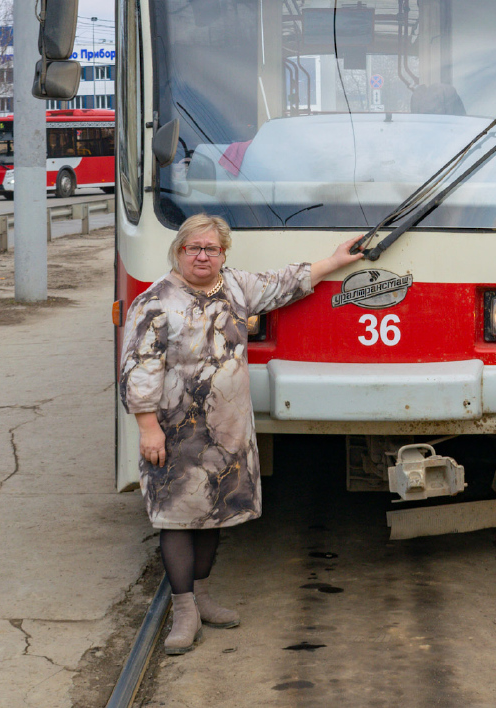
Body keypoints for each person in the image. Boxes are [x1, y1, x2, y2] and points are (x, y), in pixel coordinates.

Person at [119, 212, 362, 654]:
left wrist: (333, 262)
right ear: (178, 251)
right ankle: (184, 610)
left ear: (223, 254)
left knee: (214, 512)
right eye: (194, 248)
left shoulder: (235, 287)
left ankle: (204, 596)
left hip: (226, 431)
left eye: (211, 248)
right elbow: (139, 368)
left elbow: (286, 282)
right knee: (176, 516)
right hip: (174, 432)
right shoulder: (154, 302)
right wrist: (147, 427)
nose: (202, 256)